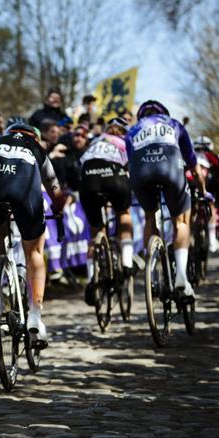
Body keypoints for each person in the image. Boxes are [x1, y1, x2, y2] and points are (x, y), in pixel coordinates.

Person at [0, 122, 65, 345]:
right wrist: (59, 208)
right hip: (22, 190)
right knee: (34, 250)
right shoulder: (35, 148)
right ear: (34, 137)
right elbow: (52, 183)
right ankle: (35, 315)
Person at [126, 100, 205, 298]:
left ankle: (151, 272)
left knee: (150, 217)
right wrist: (203, 191)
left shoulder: (133, 130)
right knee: (180, 221)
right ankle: (181, 276)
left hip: (141, 174)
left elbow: (130, 161)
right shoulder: (174, 124)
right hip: (171, 170)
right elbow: (193, 165)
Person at [79, 117, 134, 304]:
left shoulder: (95, 140)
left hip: (89, 177)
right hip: (114, 174)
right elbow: (130, 168)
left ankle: (92, 278)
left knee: (95, 234)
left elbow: (81, 163)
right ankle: (127, 262)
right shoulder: (127, 141)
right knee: (124, 213)